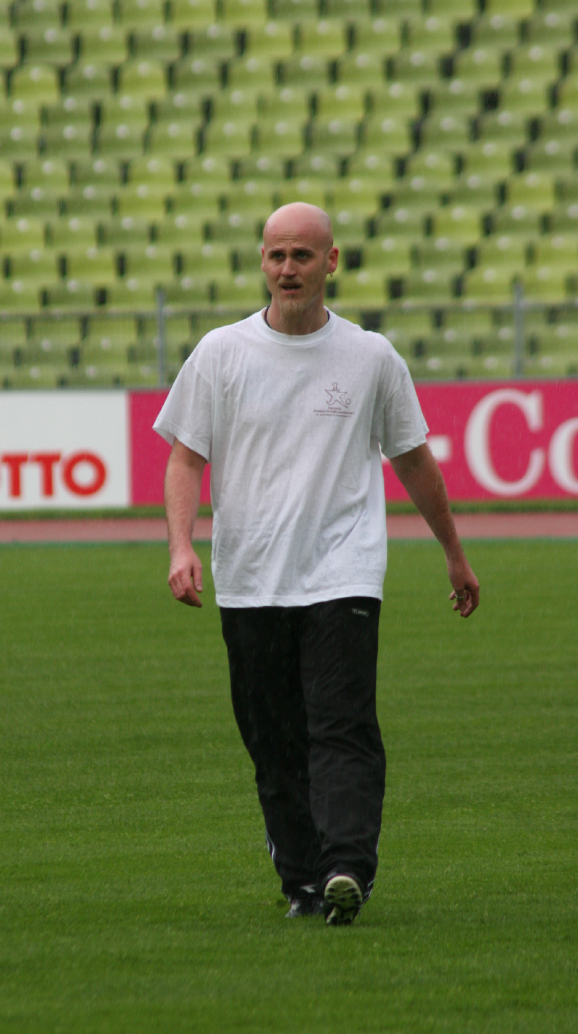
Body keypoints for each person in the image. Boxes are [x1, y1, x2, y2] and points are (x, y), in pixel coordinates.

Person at [153, 202, 479, 927]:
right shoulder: (221, 353)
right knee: (273, 742)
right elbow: (185, 457)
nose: (288, 269)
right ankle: (303, 880)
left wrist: (454, 554)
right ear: (262, 262)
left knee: (342, 726)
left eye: (302, 255)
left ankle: (346, 868)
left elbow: (414, 460)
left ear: (331, 261)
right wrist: (180, 545)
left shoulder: (370, 357)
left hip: (343, 573)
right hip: (251, 579)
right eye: (276, 255)